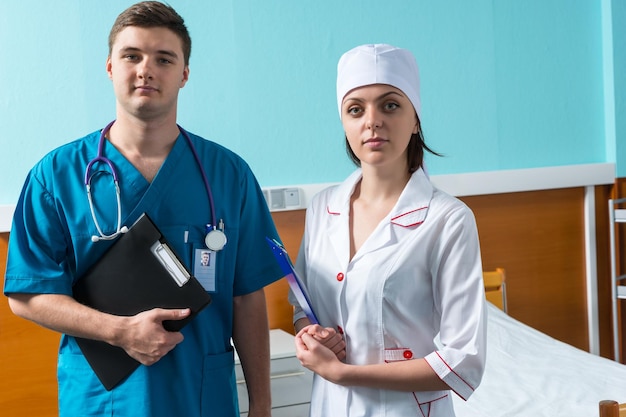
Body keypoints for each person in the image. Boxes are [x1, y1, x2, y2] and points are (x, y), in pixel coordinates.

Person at [3, 2, 282, 416]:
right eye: (131, 55)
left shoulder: (229, 175)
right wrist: (120, 331)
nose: (145, 69)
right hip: (103, 399)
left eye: (164, 58)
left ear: (184, 74)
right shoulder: (55, 176)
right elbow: (27, 295)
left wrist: (261, 404)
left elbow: (247, 297)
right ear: (110, 67)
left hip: (200, 394)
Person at [290, 44, 487, 416]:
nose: (372, 121)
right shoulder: (321, 209)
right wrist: (312, 334)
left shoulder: (448, 219)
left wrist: (344, 373)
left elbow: (463, 359)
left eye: (390, 105)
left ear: (415, 120)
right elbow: (303, 306)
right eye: (355, 109)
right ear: (344, 122)